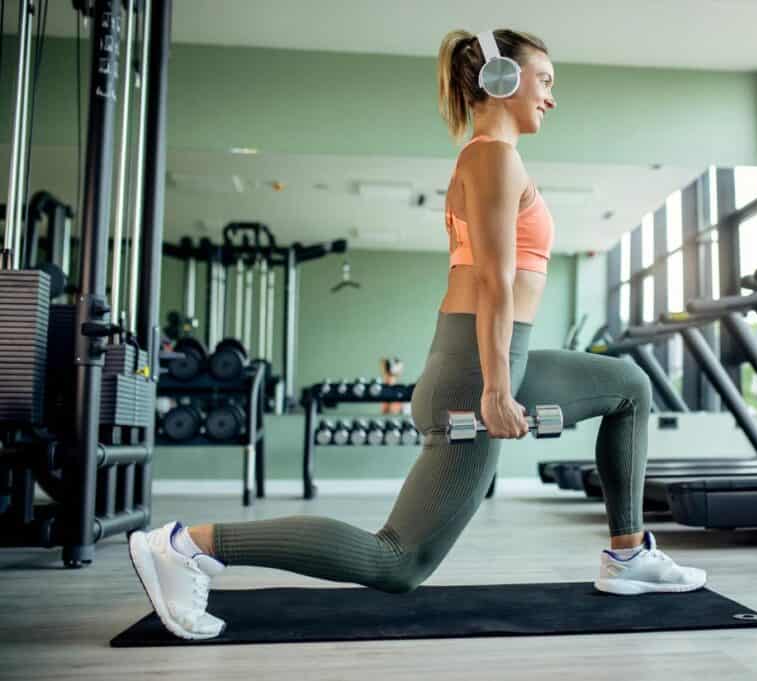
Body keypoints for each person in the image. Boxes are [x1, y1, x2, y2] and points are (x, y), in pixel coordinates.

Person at [128, 28, 706, 641]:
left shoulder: (496, 158)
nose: (551, 99)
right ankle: (184, 547)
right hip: (473, 372)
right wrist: (496, 389)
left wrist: (502, 376)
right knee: (397, 560)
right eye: (545, 81)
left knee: (628, 387)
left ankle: (628, 554)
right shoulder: (492, 156)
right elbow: (492, 281)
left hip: (489, 358)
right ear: (504, 79)